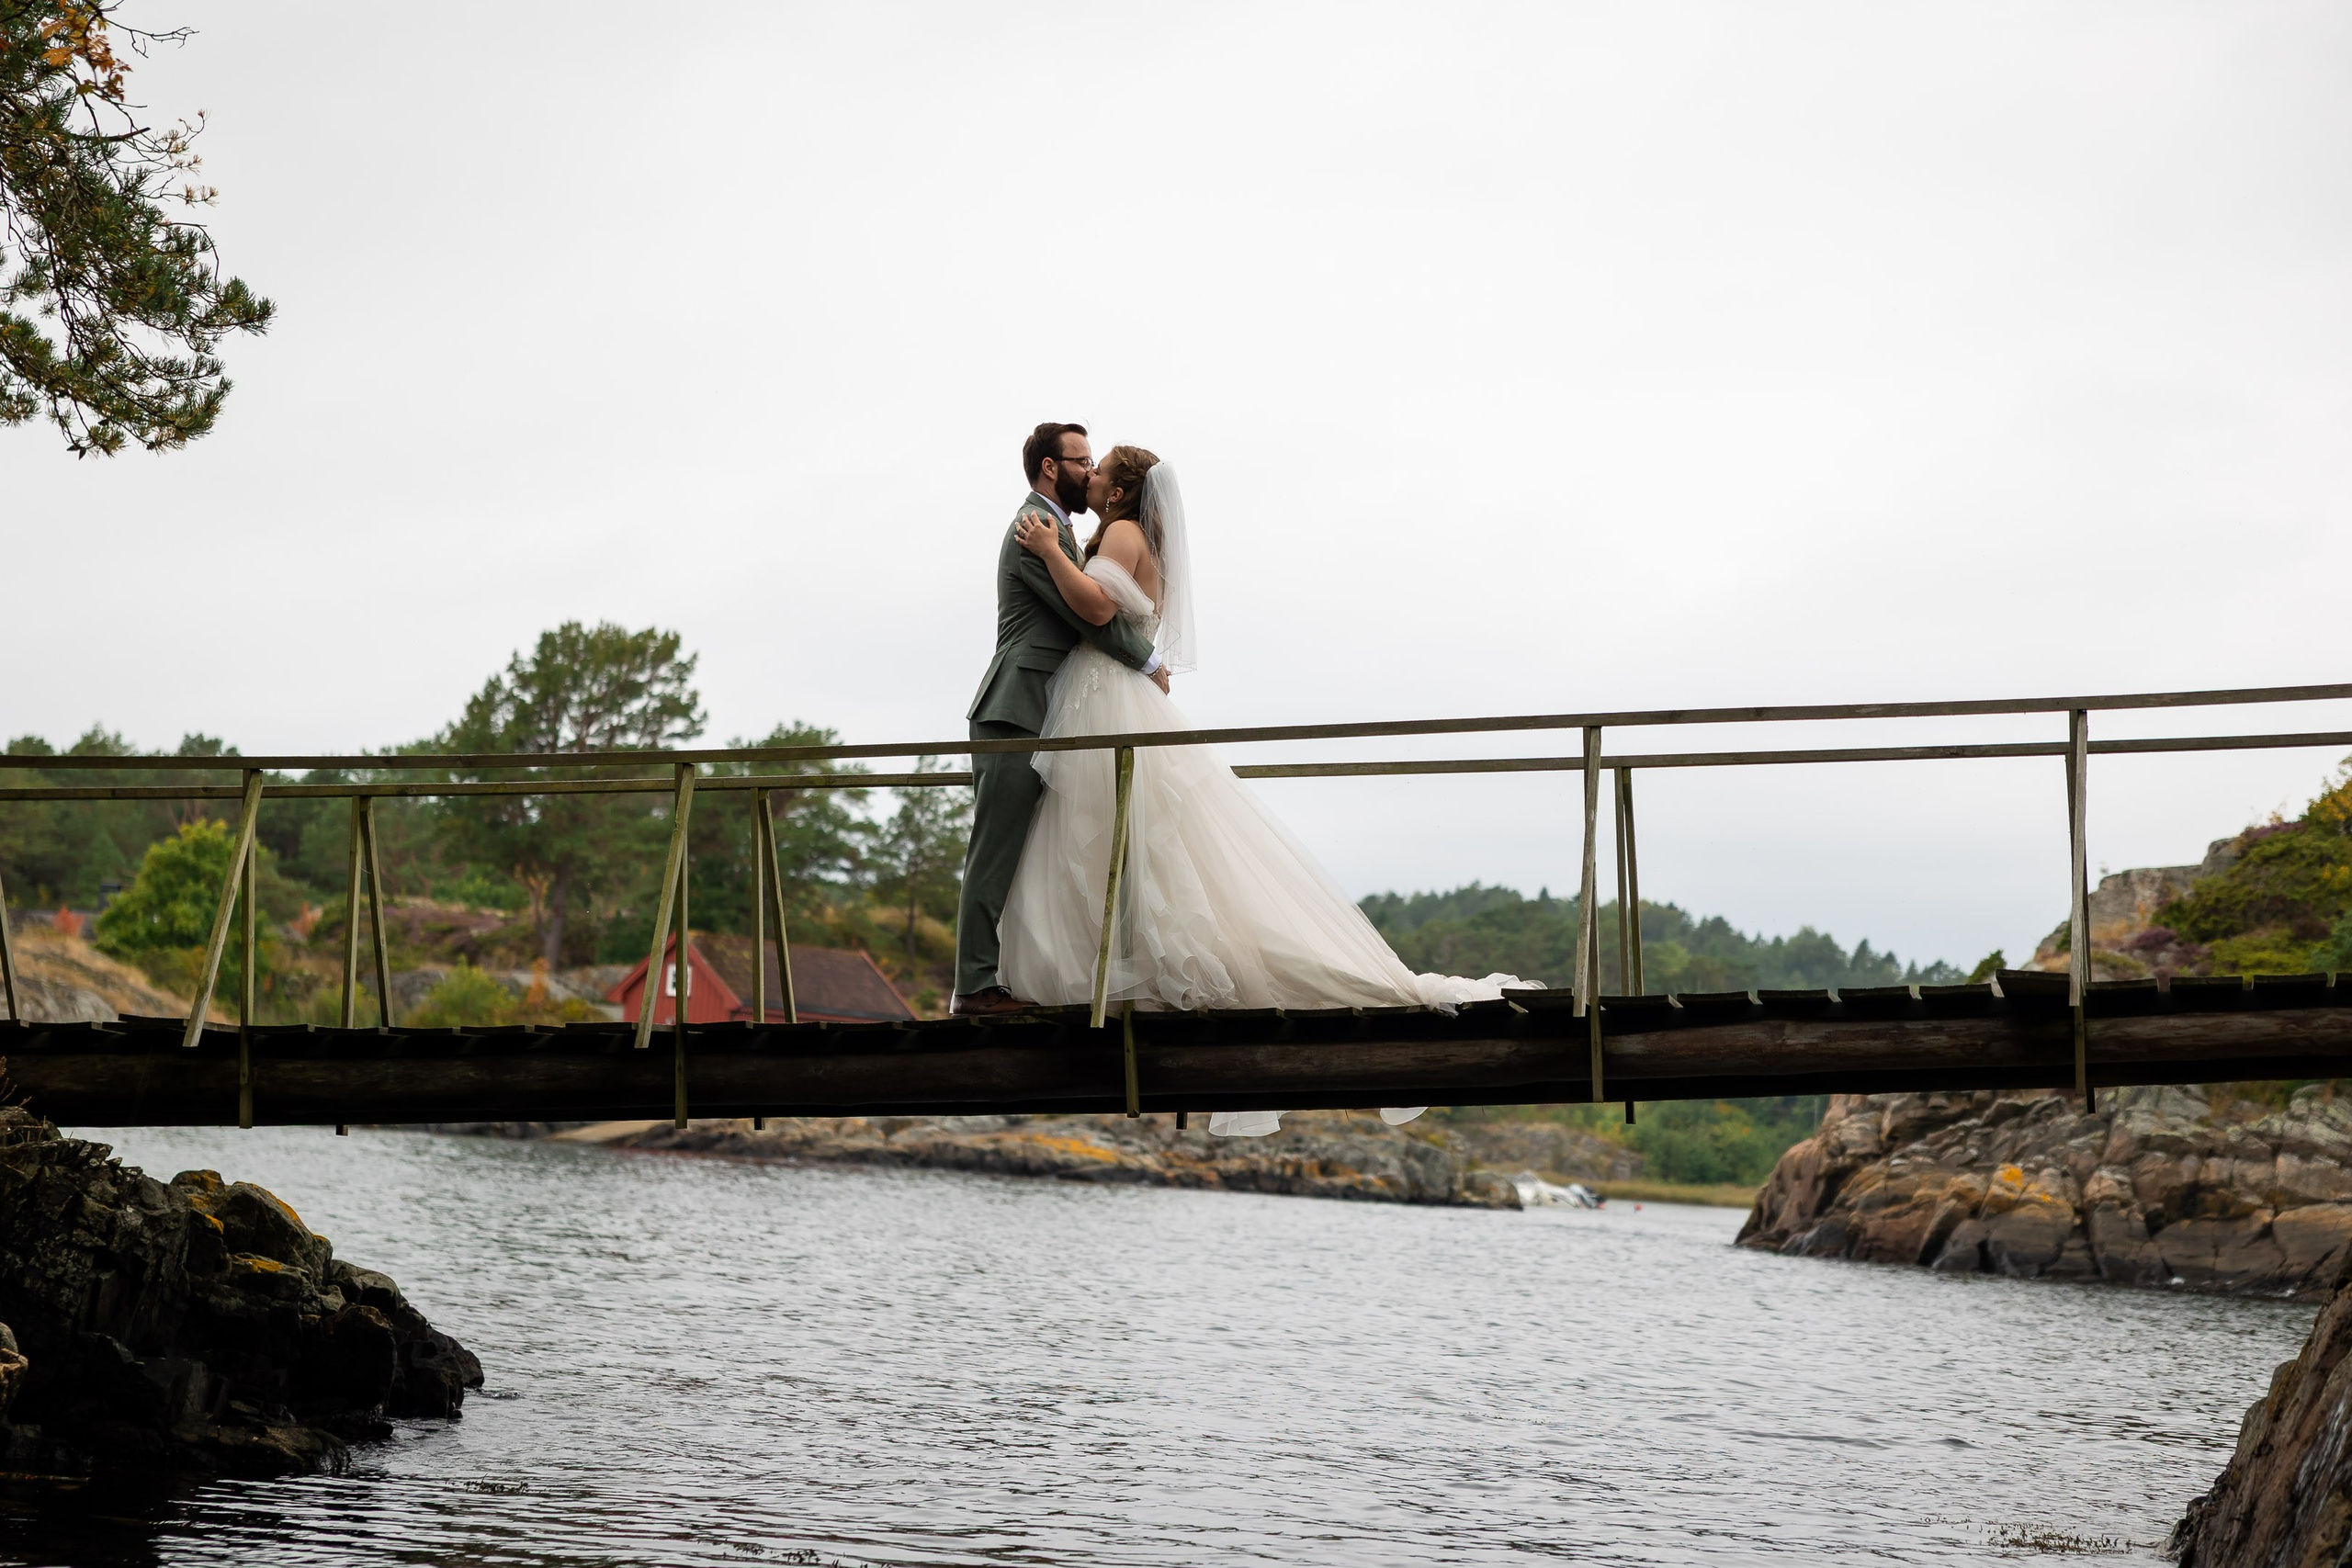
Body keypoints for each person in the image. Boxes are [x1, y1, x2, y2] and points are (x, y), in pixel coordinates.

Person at [992, 444, 1532, 1135]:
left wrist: (1050, 552)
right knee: (1120, 843)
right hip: (1105, 697)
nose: (1090, 476)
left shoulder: (1121, 535)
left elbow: (1096, 610)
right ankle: (1127, 965)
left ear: (1122, 493)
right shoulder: (1123, 532)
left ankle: (1135, 971)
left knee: (1120, 840)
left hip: (1107, 703)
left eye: (1100, 471)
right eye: (1084, 465)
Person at [951, 423, 1170, 1018]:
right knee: (996, 850)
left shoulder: (1062, 531)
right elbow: (1090, 617)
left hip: (1043, 711)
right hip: (1016, 707)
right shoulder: (1036, 528)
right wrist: (1147, 658)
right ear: (1052, 467)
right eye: (1082, 460)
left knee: (1038, 852)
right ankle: (973, 988)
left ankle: (1027, 975)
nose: (1092, 470)